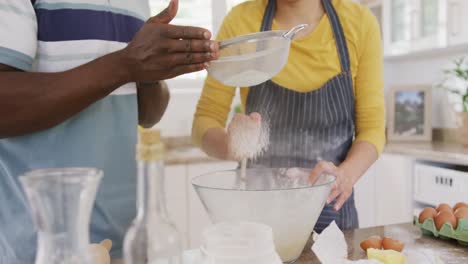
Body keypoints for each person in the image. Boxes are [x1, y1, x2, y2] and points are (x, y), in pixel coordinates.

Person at [0, 0, 219, 262]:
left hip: (125, 244)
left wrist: (151, 70)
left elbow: (147, 115)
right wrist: (125, 66)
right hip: (45, 249)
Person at [193, 0, 385, 232]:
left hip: (331, 212)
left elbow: (373, 128)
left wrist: (346, 174)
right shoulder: (241, 21)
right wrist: (231, 146)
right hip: (256, 216)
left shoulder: (359, 23)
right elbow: (205, 119)